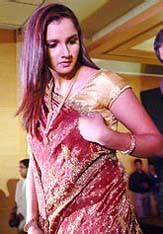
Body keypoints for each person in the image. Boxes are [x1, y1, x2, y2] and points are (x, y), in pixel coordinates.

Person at [16, 3, 163, 233]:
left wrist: (109, 137)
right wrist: (32, 220)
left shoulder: (104, 83)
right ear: (37, 48)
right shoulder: (39, 94)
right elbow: (36, 163)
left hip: (104, 221)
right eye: (52, 44)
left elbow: (156, 143)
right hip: (52, 227)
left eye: (71, 41)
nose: (65, 52)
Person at [9, 159, 29, 234]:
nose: (19, 170)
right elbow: (17, 202)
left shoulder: (34, 183)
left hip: (31, 219)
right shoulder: (19, 183)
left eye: (22, 167)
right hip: (20, 218)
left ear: (28, 169)